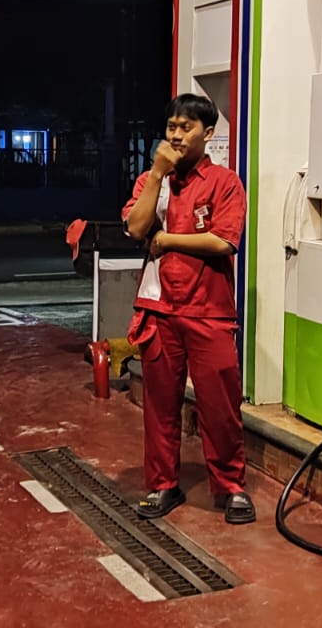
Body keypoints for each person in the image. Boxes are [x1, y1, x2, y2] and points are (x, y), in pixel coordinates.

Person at [122, 93, 255, 525]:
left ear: (208, 133)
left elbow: (223, 241)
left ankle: (231, 487)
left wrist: (167, 240)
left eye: (186, 127)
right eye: (172, 127)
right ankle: (163, 484)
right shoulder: (150, 181)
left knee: (220, 406)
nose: (177, 135)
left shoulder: (225, 182)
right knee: (160, 405)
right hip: (158, 309)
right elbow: (136, 227)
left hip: (210, 311)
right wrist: (157, 175)